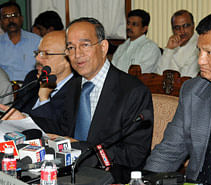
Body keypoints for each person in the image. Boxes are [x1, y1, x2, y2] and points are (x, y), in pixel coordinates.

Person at [0, 17, 154, 183]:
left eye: (85, 45)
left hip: (110, 176)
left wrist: (80, 147)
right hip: (69, 173)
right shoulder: (75, 86)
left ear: (103, 47)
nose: (77, 54)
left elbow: (134, 155)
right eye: (71, 48)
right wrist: (25, 119)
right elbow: (63, 129)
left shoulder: (132, 91)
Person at [144, 9, 211, 185]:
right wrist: (147, 180)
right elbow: (170, 149)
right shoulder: (193, 90)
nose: (200, 60)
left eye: (209, 52)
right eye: (199, 51)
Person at [14, 30, 81, 136]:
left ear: (68, 59)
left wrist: (43, 98)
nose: (37, 58)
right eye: (38, 53)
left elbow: (59, 134)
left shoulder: (78, 92)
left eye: (46, 54)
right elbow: (16, 110)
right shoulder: (32, 77)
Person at [0, 1, 41, 81]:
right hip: (5, 90)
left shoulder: (37, 41)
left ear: (21, 18)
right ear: (1, 22)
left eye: (14, 15)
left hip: (30, 88)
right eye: (6, 17)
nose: (11, 20)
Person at [112, 9, 161, 73]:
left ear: (144, 29)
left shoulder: (150, 48)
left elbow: (140, 75)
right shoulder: (122, 46)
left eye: (134, 24)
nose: (129, 27)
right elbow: (112, 69)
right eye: (128, 23)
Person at [154, 10, 199, 77]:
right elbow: (159, 73)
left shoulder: (199, 46)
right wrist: (169, 49)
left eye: (186, 26)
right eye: (177, 28)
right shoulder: (173, 43)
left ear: (193, 25)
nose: (182, 31)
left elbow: (187, 78)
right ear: (173, 30)